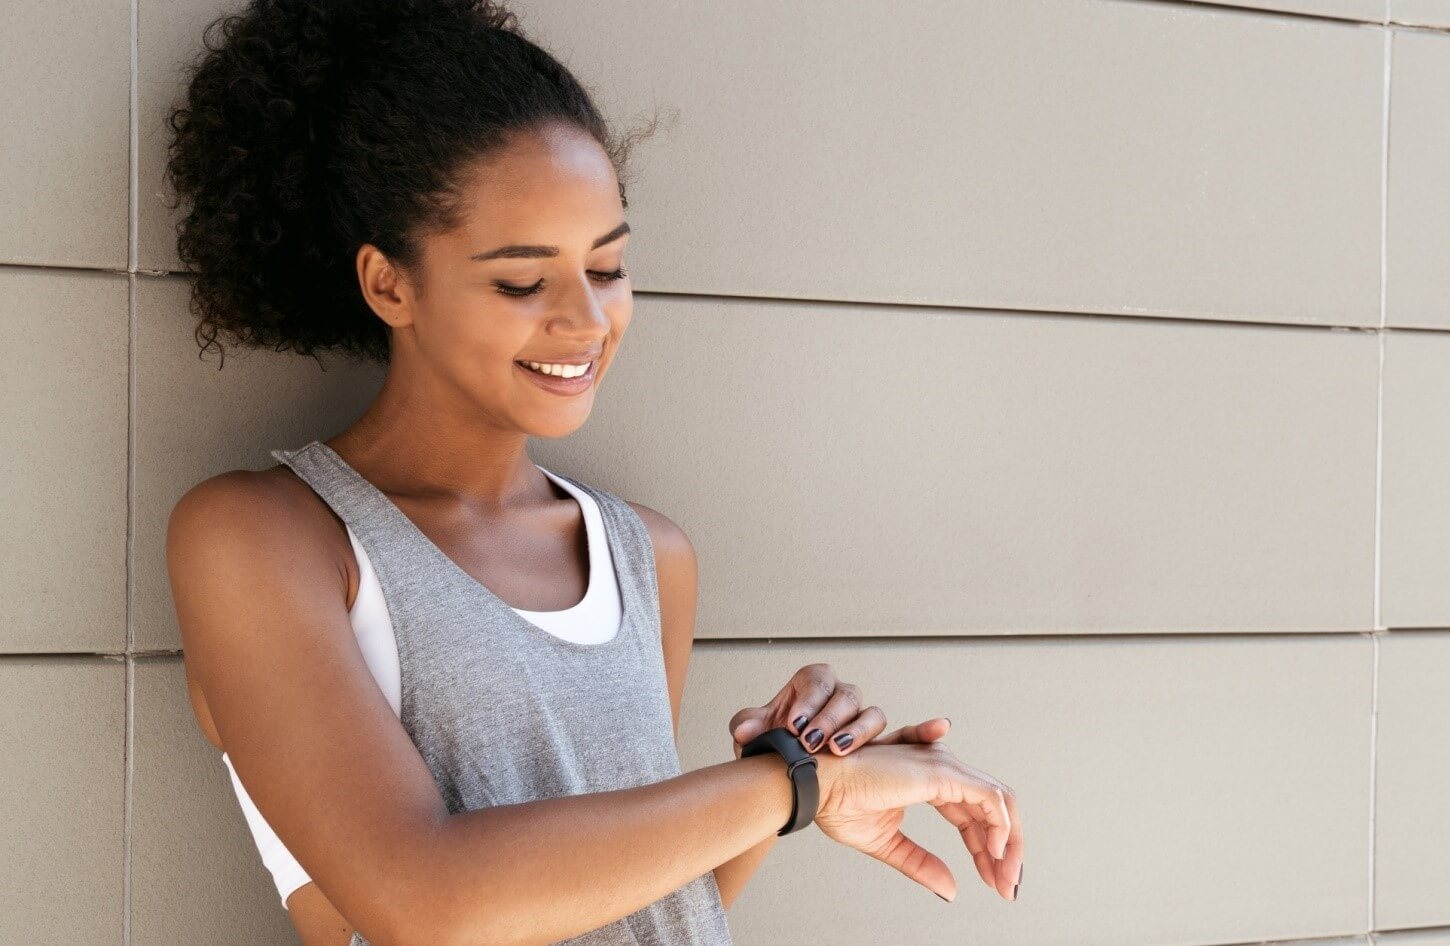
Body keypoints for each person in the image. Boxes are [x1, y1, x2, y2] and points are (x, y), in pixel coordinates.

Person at [161, 1, 1024, 943]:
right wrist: (791, 784)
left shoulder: (646, 553)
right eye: (522, 282)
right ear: (389, 284)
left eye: (607, 268)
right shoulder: (265, 538)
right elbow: (425, 900)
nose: (583, 322)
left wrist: (799, 773)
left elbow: (639, 908)